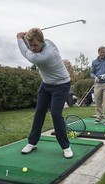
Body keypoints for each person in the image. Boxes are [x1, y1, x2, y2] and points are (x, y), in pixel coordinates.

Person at [16, 28, 73, 159]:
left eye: (35, 45)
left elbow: (26, 53)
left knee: (55, 114)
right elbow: (30, 44)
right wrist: (27, 37)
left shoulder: (47, 54)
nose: (33, 48)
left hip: (61, 85)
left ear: (42, 41)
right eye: (31, 45)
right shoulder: (43, 42)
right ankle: (32, 143)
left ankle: (66, 146)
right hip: (46, 84)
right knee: (39, 112)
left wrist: (19, 38)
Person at [90, 46, 105, 126]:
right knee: (97, 101)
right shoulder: (94, 62)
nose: (102, 53)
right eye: (101, 52)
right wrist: (95, 77)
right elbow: (91, 73)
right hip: (98, 84)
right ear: (98, 52)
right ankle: (98, 117)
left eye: (104, 52)